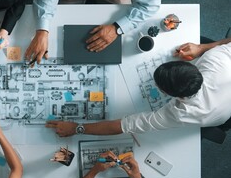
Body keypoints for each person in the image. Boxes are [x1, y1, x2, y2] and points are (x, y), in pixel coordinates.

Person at [46, 38, 231, 136]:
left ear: (169, 95)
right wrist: (202, 47)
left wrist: (77, 128)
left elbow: (123, 125)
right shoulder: (215, 59)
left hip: (219, 116)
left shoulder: (182, 113)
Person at [25, 0, 161, 64]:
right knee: (58, 25)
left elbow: (149, 5)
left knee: (123, 18)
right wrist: (42, 30)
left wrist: (117, 28)